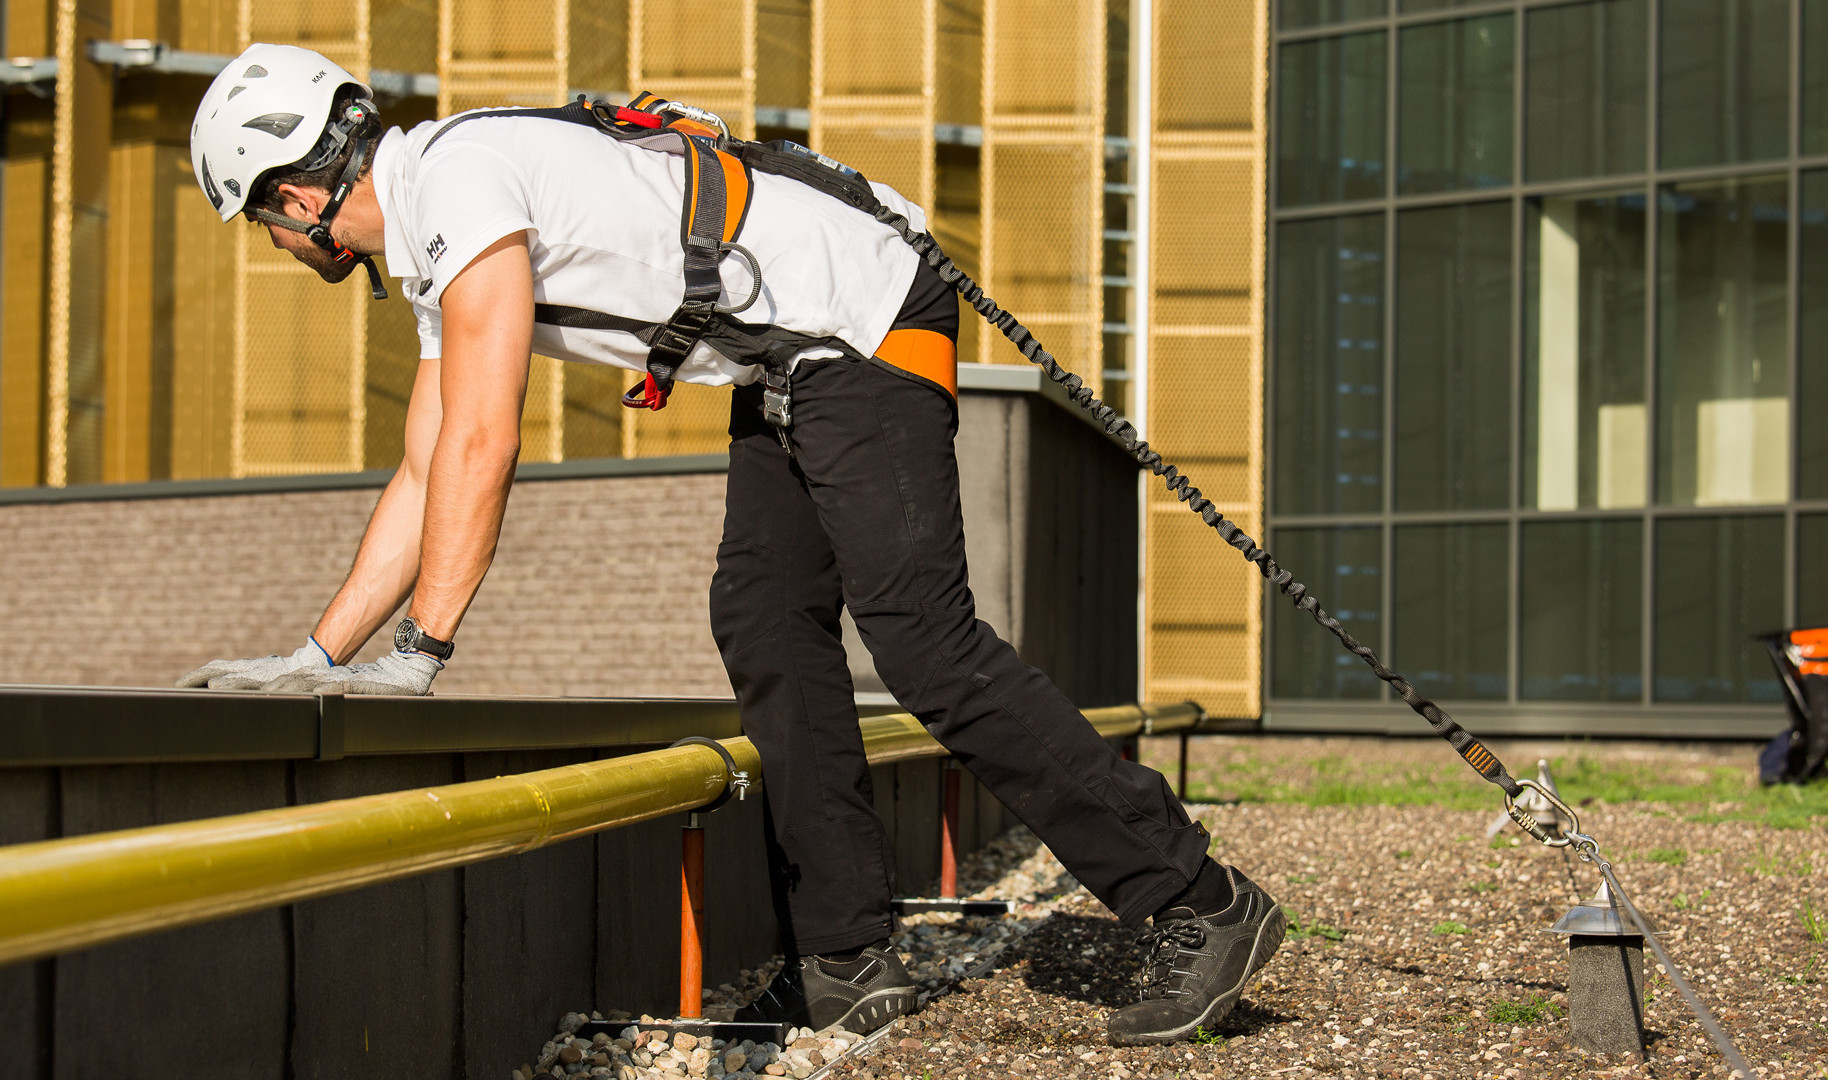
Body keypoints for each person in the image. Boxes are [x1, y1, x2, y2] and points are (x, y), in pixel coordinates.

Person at [177, 42, 1283, 1045]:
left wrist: (422, 651)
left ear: (300, 192)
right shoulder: (438, 229)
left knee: (924, 644)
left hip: (864, 316)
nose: (276, 244)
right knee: (762, 617)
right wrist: (316, 661)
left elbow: (482, 439)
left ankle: (1196, 900)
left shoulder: (460, 186)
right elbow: (423, 468)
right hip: (790, 354)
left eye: (263, 221)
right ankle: (850, 959)